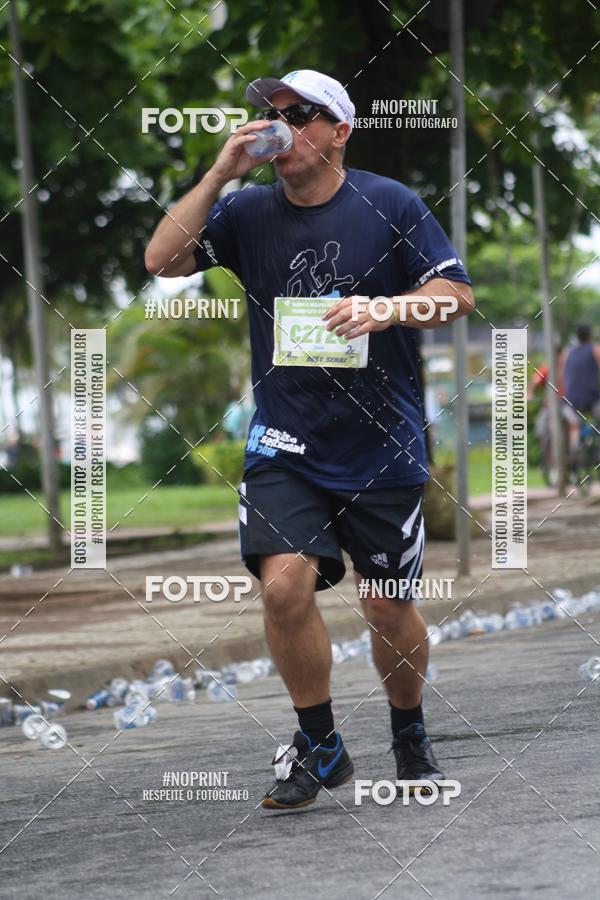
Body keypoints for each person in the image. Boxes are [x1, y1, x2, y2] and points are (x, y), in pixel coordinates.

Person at [145, 70, 475, 810]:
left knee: (387, 606)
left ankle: (409, 730)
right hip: (284, 443)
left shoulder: (390, 203)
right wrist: (221, 171)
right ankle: (320, 744)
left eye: (300, 114)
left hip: (381, 445)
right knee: (284, 582)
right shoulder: (245, 212)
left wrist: (385, 309)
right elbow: (161, 263)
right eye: (270, 114)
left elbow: (455, 296)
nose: (281, 125)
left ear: (339, 129)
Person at [562, 323, 600, 460]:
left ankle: (574, 452)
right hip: (592, 398)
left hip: (571, 399)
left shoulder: (568, 352)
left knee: (574, 426)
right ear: (590, 335)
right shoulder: (595, 350)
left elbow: (562, 374)